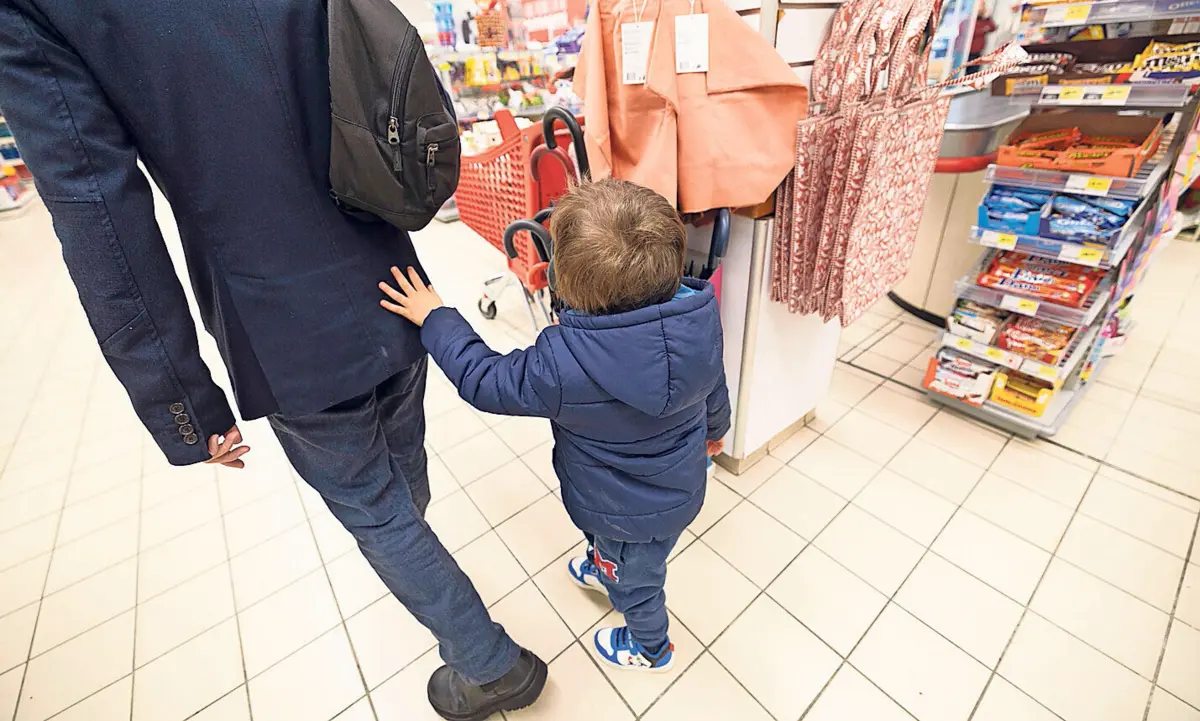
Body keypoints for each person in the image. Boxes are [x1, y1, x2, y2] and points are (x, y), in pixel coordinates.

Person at [0, 2, 545, 719]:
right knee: (400, 471)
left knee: (376, 509)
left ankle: (488, 661)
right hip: (386, 263)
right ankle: (422, 561)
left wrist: (185, 404)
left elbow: (101, 213)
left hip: (278, 315)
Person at [380, 179, 732, 672]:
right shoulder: (698, 317)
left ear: (564, 284)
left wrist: (436, 317)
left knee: (637, 582)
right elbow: (714, 383)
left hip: (618, 509)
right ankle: (606, 561)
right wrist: (717, 428)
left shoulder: (562, 364)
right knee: (638, 553)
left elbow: (484, 380)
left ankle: (651, 645)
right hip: (679, 485)